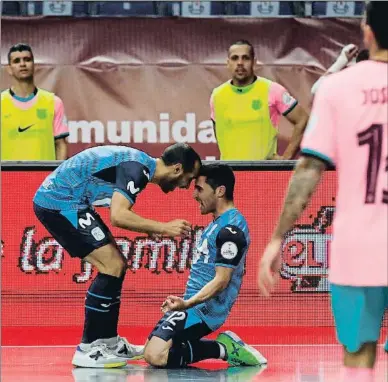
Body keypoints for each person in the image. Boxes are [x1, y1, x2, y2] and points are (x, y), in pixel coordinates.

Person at [258, 2, 387, 382]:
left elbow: (309, 169)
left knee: (357, 357)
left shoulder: (336, 87)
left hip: (356, 246)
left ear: (367, 31)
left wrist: (278, 238)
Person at [33, 143, 202, 368]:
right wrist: (164, 227)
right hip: (58, 202)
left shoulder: (141, 166)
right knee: (110, 265)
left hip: (73, 200)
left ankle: (108, 343)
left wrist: (146, 227)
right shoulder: (138, 169)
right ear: (178, 169)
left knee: (117, 265)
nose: (185, 186)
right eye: (188, 180)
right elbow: (119, 215)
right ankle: (89, 348)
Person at [144, 164, 267, 368]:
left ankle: (225, 349)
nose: (194, 195)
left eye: (199, 189)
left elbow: (222, 280)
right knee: (150, 348)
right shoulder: (216, 223)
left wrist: (187, 303)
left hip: (205, 310)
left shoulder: (231, 229)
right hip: (193, 305)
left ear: (220, 191)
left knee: (155, 355)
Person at [210, 40, 309, 161]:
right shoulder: (217, 95)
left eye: (245, 58)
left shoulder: (273, 90)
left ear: (254, 62)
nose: (240, 63)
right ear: (228, 63)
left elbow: (303, 120)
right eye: (235, 58)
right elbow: (219, 133)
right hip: (229, 175)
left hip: (261, 174)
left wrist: (286, 158)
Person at [1, 43, 68, 160]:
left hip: (43, 176)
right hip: (7, 176)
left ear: (34, 65)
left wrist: (56, 176)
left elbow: (60, 144)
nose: (22, 64)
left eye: (27, 59)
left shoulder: (53, 102)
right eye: (17, 61)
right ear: (9, 69)